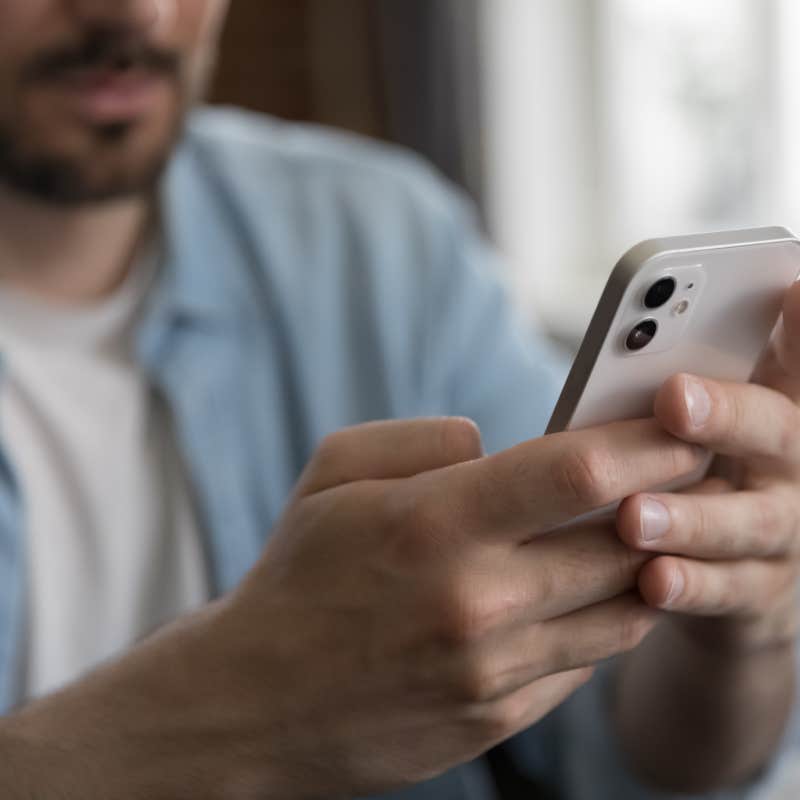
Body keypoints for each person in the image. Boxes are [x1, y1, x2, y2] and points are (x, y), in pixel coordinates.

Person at [0, 1, 797, 798]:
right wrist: (248, 707)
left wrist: (731, 632)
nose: (138, 12)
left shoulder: (382, 242)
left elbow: (618, 750)